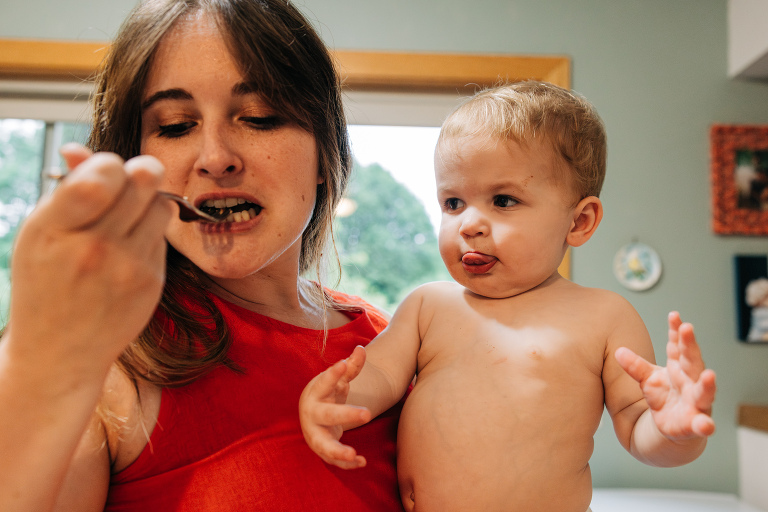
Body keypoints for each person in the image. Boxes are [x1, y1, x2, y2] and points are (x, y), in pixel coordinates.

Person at [0, 1, 405, 511]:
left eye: (259, 117)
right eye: (173, 126)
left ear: (325, 154)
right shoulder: (112, 363)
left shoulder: (385, 343)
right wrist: (43, 357)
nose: (215, 157)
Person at [299, 81, 718, 512]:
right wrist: (337, 401)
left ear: (580, 221)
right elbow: (382, 377)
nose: (469, 224)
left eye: (503, 200)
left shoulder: (604, 317)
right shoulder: (428, 307)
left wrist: (673, 432)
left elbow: (637, 427)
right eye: (453, 202)